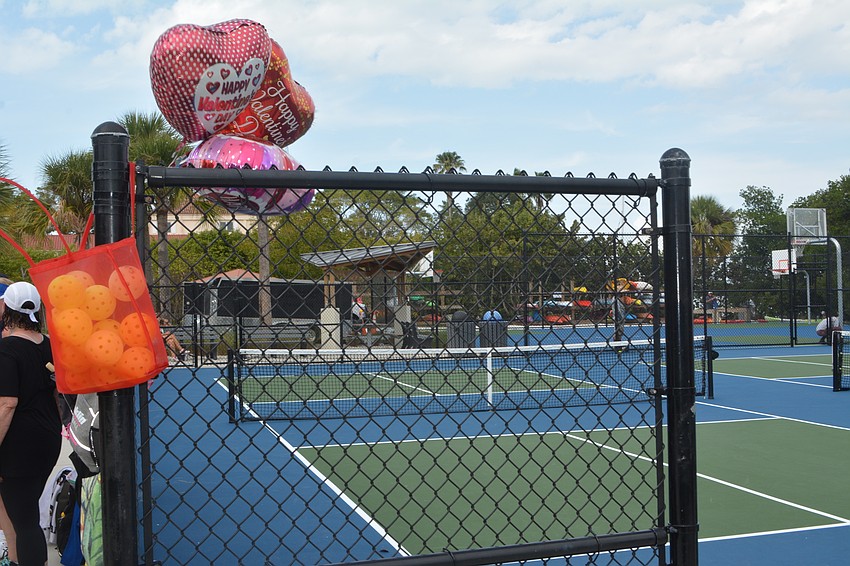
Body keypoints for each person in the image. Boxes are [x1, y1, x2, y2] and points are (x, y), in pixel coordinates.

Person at [0, 282, 62, 566]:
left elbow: (7, 404)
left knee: (25, 523)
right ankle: (15, 559)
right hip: (48, 436)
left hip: (18, 442)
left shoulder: (7, 350)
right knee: (23, 511)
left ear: (7, 308)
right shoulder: (49, 345)